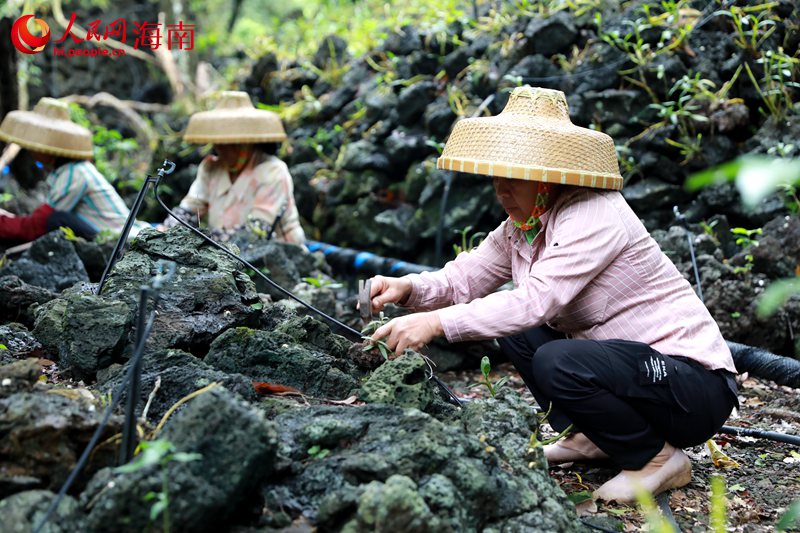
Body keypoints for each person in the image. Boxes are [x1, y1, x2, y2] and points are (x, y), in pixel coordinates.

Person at [365, 86, 739, 504]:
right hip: (631, 371)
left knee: (554, 357)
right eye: (497, 176)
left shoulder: (593, 214)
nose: (501, 190)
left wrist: (435, 323)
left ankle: (656, 459)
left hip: (691, 384)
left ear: (548, 177)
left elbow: (536, 300)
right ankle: (587, 438)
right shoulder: (523, 225)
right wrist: (410, 289)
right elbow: (464, 277)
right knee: (520, 335)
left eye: (515, 178)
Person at [163, 91, 305, 244]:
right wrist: (164, 233)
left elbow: (256, 232)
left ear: (247, 142)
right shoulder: (210, 168)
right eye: (219, 143)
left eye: (231, 143)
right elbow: (188, 211)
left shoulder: (273, 171)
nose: (223, 149)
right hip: (223, 254)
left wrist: (202, 242)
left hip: (279, 255)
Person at [0, 97, 145, 243]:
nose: (32, 150)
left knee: (56, 220)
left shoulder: (75, 174)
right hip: (114, 236)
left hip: (119, 241)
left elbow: (37, 225)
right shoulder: (71, 170)